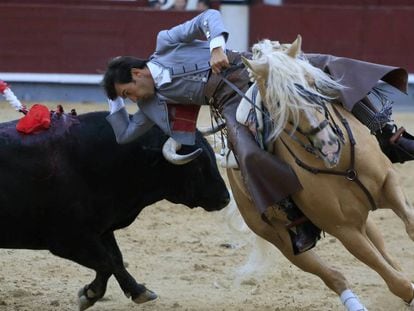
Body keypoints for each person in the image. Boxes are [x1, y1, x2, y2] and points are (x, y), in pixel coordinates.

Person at [102, 9, 414, 254]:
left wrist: (215, 47)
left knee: (326, 69)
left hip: (252, 69)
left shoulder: (165, 42)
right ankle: (298, 219)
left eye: (126, 91)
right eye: (125, 97)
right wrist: (113, 100)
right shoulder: (149, 106)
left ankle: (389, 136)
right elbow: (125, 134)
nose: (131, 98)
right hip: (228, 103)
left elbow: (209, 17)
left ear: (138, 72)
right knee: (248, 156)